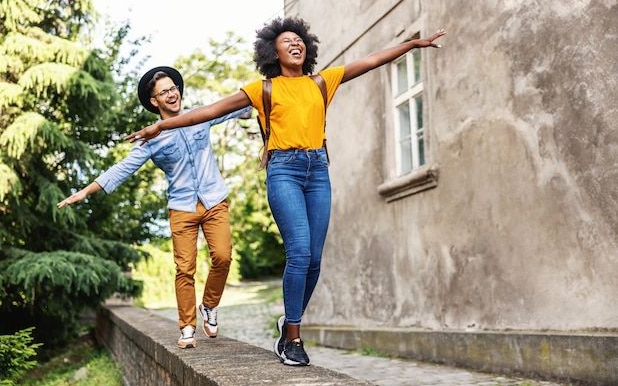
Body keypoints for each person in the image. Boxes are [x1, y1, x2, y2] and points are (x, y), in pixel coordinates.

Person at [126, 18, 446, 366]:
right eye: (287, 41)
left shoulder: (322, 82)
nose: (296, 44)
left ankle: (287, 322)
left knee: (315, 260)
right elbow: (206, 112)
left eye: (299, 40)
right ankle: (293, 338)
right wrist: (161, 125)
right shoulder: (261, 90)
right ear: (272, 52)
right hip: (284, 171)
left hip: (318, 171)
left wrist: (413, 45)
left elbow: (370, 60)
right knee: (299, 253)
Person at [58, 66, 251, 349]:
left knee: (222, 256)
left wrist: (263, 96)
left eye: (173, 88)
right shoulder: (152, 139)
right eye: (164, 92)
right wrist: (86, 191)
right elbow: (122, 168)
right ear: (154, 101)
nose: (172, 94)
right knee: (184, 268)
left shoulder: (200, 116)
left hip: (214, 200)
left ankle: (209, 305)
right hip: (182, 207)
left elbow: (236, 106)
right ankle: (187, 327)